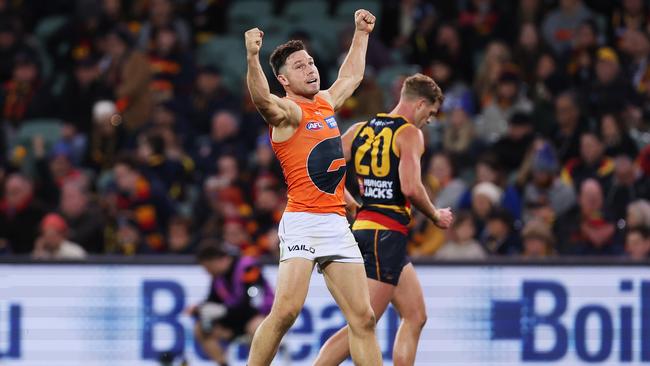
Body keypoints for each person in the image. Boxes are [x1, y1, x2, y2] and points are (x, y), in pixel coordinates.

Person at [244, 9, 383, 365]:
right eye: (300, 66)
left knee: (363, 318)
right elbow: (261, 99)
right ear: (284, 79)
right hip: (303, 220)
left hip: (335, 222)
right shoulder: (288, 113)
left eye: (311, 62)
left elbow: (351, 76)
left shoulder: (323, 103)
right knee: (286, 312)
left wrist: (361, 33)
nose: (310, 69)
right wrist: (251, 57)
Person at [314, 73, 454, 365]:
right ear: (419, 104)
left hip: (366, 229)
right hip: (387, 234)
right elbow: (411, 187)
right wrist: (435, 215)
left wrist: (350, 201)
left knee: (415, 315)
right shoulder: (410, 134)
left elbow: (324, 168)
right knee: (362, 325)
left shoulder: (359, 129)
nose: (429, 120)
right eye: (430, 113)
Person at [191, 242, 273, 366]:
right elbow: (213, 300)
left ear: (217, 260)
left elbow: (254, 305)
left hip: (259, 316)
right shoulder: (218, 277)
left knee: (256, 327)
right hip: (236, 319)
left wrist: (224, 312)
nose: (207, 272)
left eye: (208, 267)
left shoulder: (249, 268)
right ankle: (223, 364)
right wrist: (199, 309)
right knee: (200, 329)